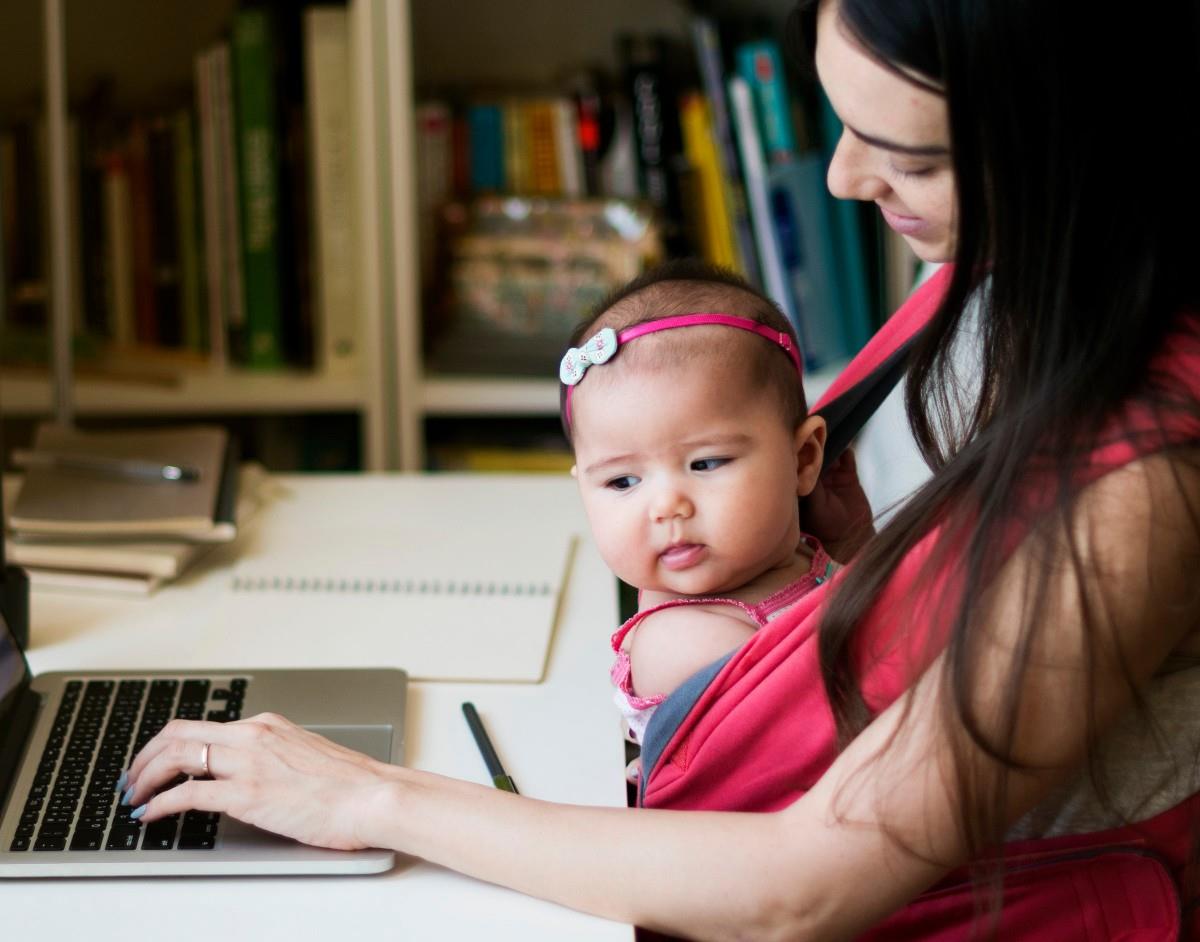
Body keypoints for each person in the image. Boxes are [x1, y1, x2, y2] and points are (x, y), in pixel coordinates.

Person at [119, 0, 1200, 937]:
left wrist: (374, 800)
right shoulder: (1009, 275)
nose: (840, 177)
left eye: (910, 155)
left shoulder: (1139, 490)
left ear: (1074, 142)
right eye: (843, 126)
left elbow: (808, 888)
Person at [557, 261, 837, 750]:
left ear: (803, 459)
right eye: (623, 481)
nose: (667, 506)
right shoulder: (685, 643)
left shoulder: (790, 564)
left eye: (706, 464)